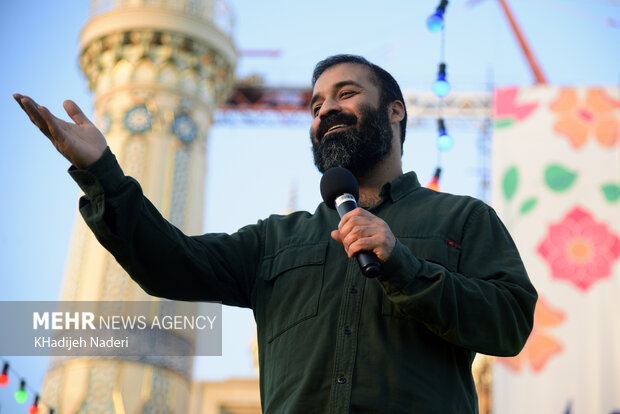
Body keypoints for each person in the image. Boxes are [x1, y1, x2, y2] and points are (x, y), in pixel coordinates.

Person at [14, 54, 537, 413]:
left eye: (346, 93)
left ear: (396, 112)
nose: (326, 108)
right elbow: (166, 261)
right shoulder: (275, 240)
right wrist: (101, 169)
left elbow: (510, 323)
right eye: (315, 105)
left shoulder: (464, 220)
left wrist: (403, 263)